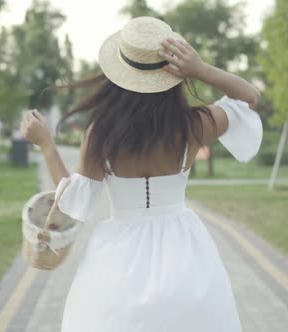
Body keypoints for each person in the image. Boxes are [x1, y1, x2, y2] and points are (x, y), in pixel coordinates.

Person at [21, 16, 262, 332]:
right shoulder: (193, 125)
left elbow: (72, 205)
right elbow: (249, 98)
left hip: (118, 254)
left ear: (118, 75)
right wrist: (201, 70)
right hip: (184, 250)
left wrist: (47, 145)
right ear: (173, 74)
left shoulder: (101, 133)